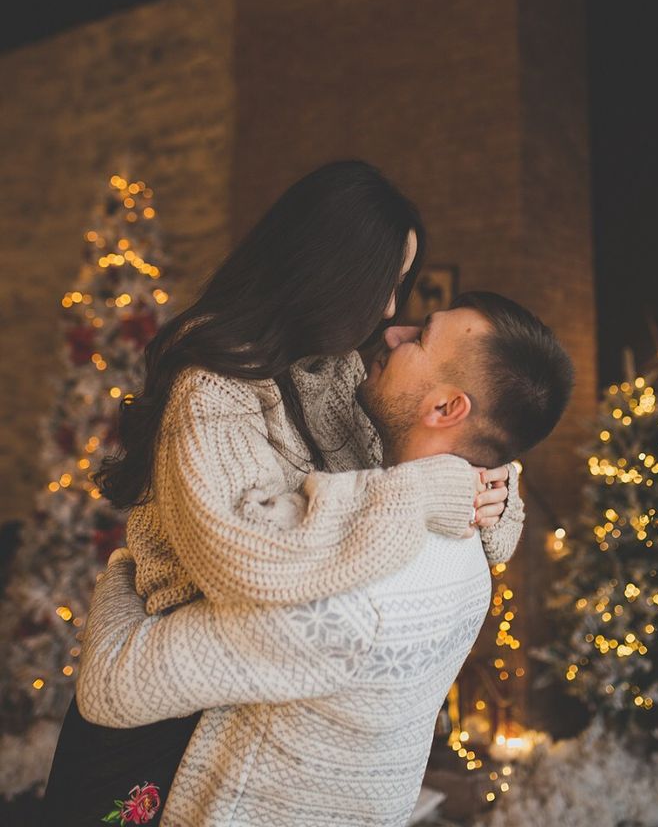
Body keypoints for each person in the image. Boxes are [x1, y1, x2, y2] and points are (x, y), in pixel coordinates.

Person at [40, 162, 518, 826]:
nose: (388, 312)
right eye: (388, 285)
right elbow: (256, 560)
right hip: (167, 720)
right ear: (331, 272)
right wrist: (423, 493)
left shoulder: (338, 371)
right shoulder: (211, 387)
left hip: (245, 696)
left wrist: (490, 488)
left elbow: (417, 466)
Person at [77, 292, 574, 827]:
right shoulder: (472, 538)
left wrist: (133, 561)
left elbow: (112, 685)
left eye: (421, 336)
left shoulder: (343, 601)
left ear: (446, 408)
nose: (392, 333)